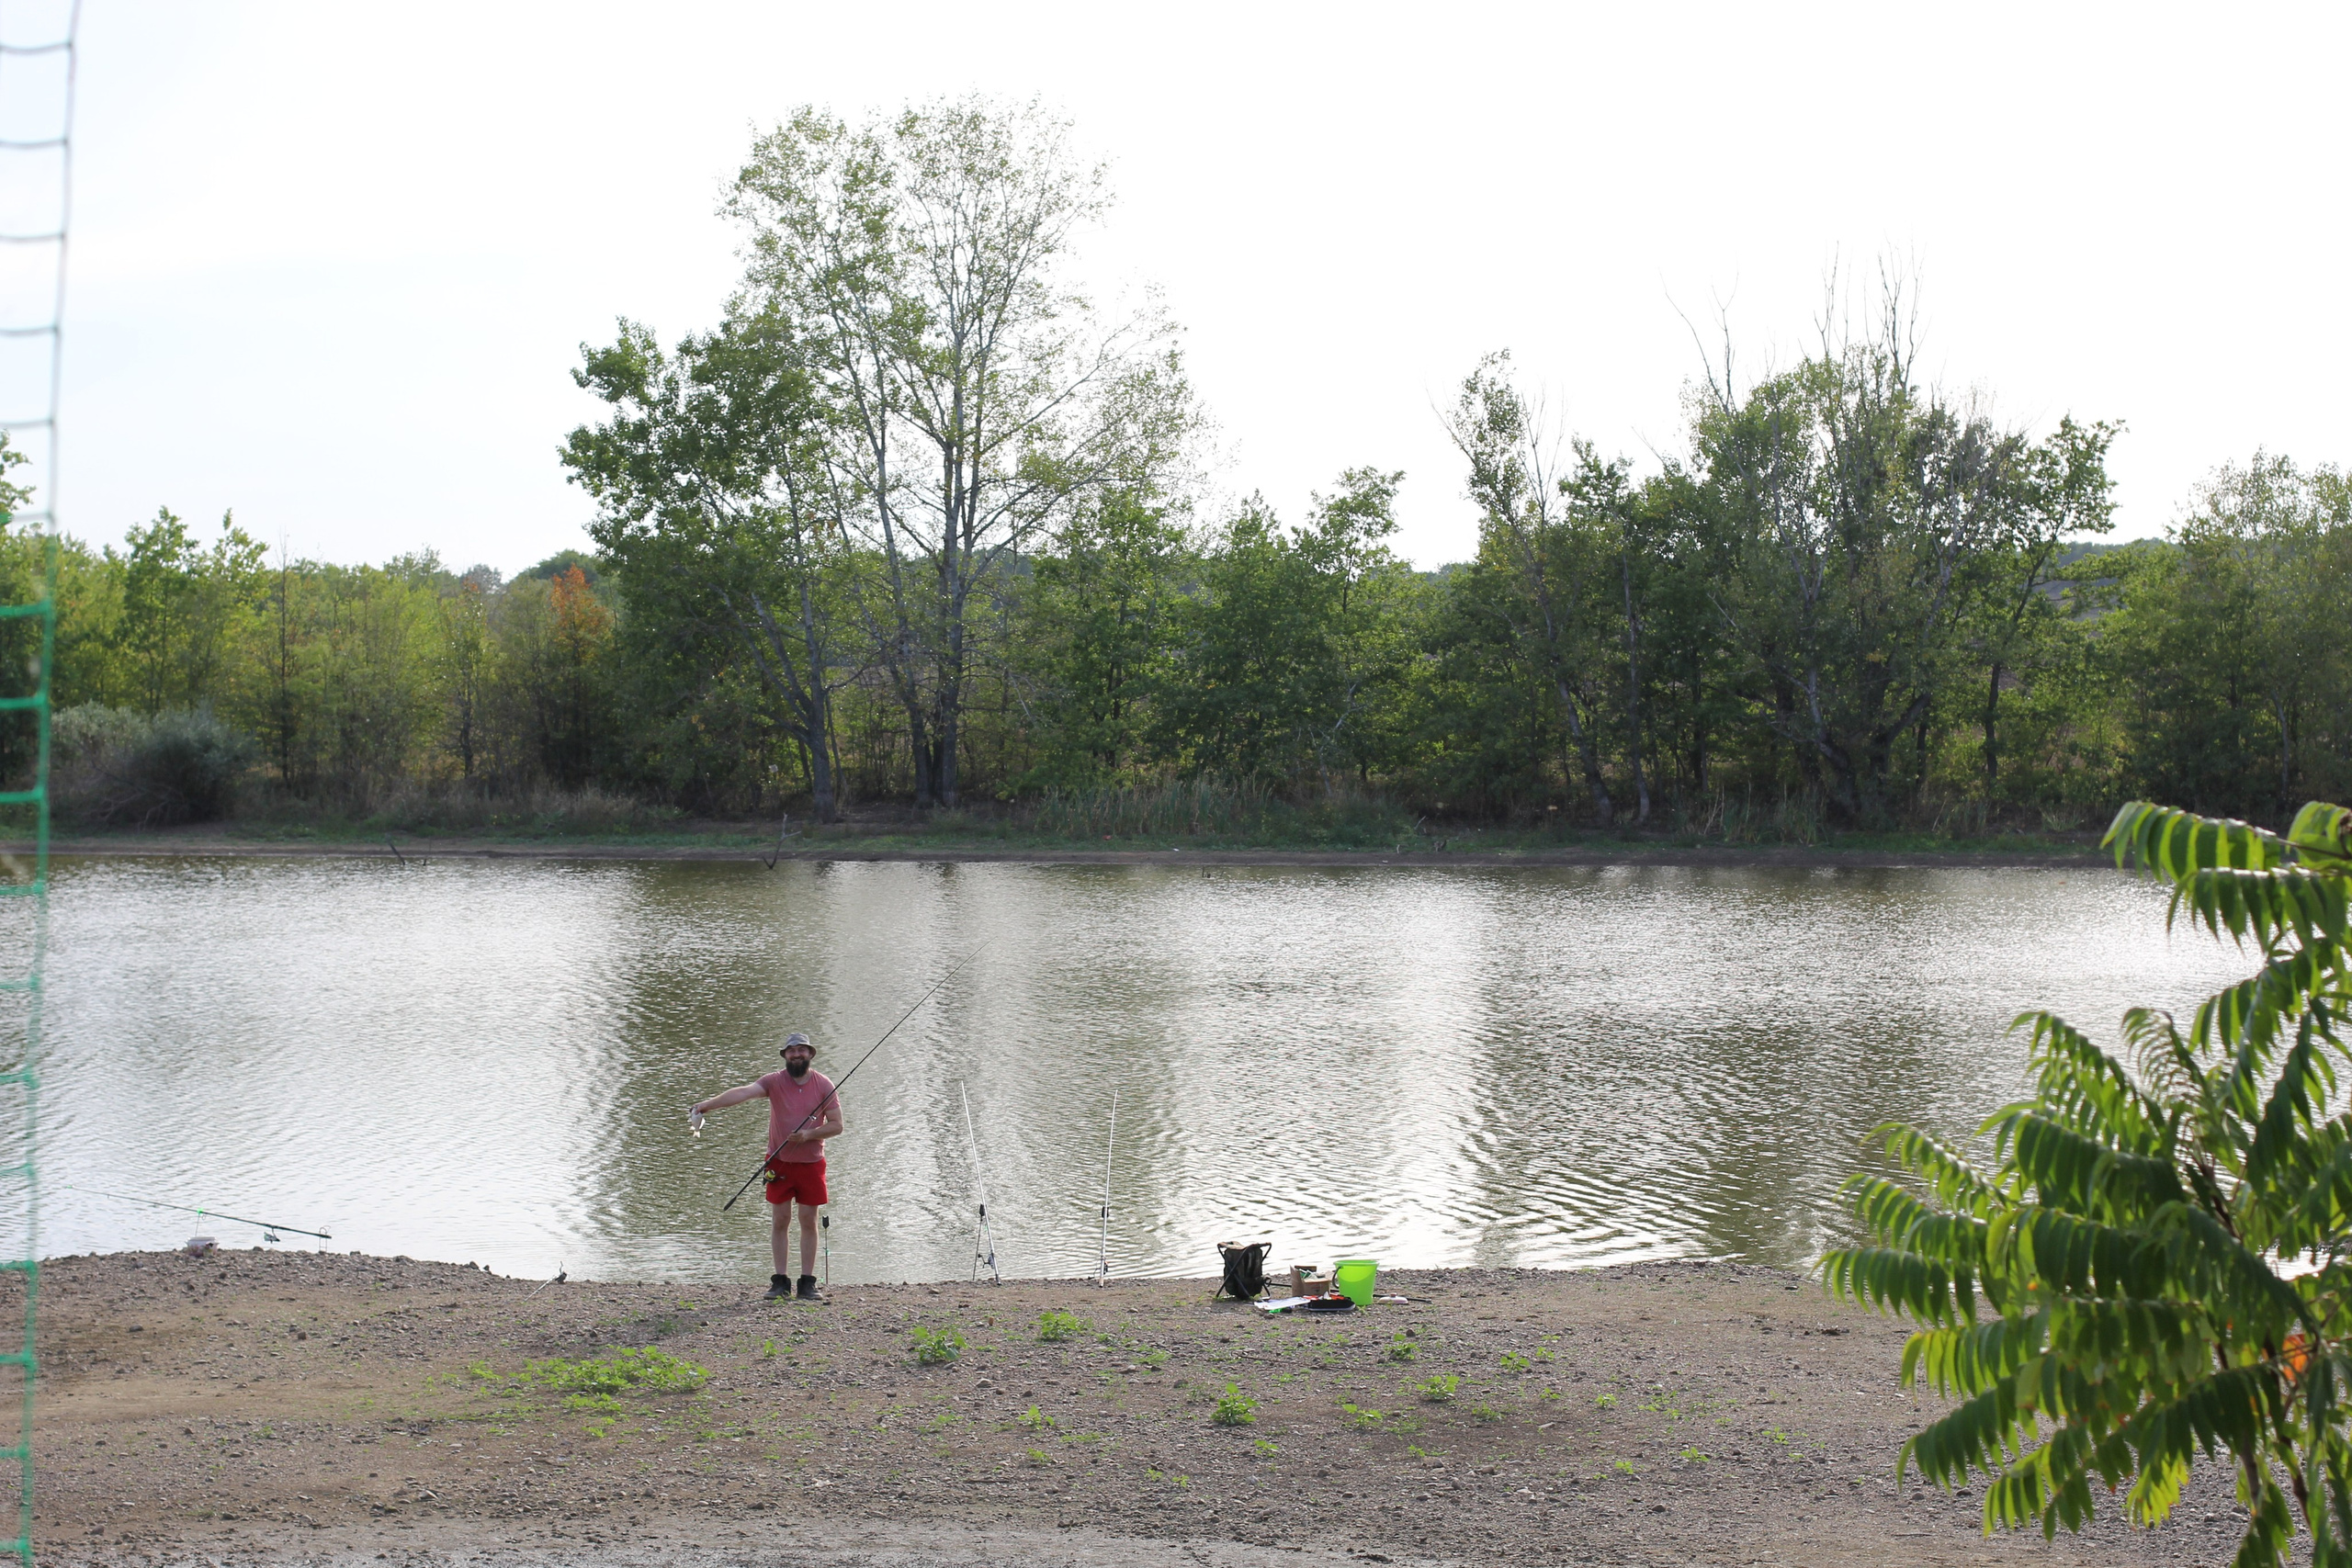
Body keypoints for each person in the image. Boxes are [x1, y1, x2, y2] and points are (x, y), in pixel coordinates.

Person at [692, 1032, 841, 1300]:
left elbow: (837, 1126)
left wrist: (808, 1135)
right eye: (792, 1051)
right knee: (780, 1219)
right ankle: (780, 1282)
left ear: (810, 1055)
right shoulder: (773, 1081)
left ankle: (807, 1283)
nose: (797, 1054)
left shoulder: (823, 1084)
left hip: (812, 1164)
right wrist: (707, 1106)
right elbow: (744, 1093)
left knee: (809, 1220)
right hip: (779, 1162)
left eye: (802, 1050)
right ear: (785, 1055)